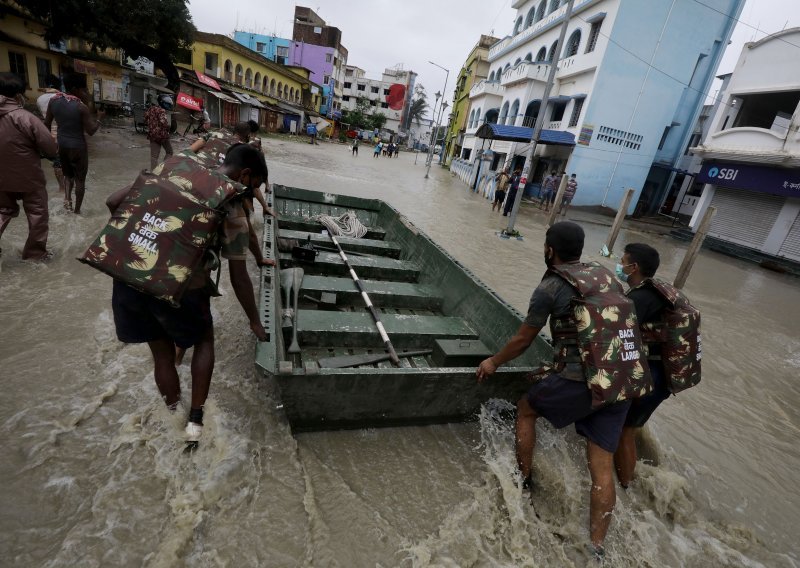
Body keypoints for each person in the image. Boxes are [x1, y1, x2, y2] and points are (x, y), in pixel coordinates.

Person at [476, 222, 651, 558]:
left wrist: (493, 362)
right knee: (601, 466)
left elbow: (524, 339)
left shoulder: (551, 287)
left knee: (526, 407)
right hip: (622, 380)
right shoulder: (605, 275)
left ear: (549, 250)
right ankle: (597, 546)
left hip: (580, 381)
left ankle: (523, 480)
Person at [106, 143, 269, 445]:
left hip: (131, 278)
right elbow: (238, 276)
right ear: (245, 174)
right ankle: (194, 422)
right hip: (180, 288)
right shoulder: (231, 204)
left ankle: (172, 411)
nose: (251, 192)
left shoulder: (176, 167)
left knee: (162, 354)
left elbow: (113, 201)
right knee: (205, 339)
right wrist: (255, 321)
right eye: (254, 185)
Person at [613, 243, 701, 488]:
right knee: (631, 427)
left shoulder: (640, 297)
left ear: (634, 267)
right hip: (665, 375)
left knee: (624, 431)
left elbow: (619, 337)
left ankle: (625, 486)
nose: (619, 265)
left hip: (652, 376)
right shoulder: (664, 290)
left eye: (623, 261)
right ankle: (627, 479)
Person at [0, 73, 58, 260]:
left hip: (1, 179)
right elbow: (49, 147)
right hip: (29, 177)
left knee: (2, 210)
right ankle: (35, 254)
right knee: (38, 214)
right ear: (18, 96)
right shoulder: (25, 117)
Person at [44, 72, 104, 214]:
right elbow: (91, 131)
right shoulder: (81, 107)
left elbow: (46, 124)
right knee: (80, 180)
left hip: (62, 145)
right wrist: (100, 118)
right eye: (85, 90)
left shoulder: (53, 101)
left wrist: (49, 143)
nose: (87, 93)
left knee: (67, 176)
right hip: (78, 147)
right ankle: (77, 212)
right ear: (76, 89)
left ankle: (68, 202)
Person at [35, 73, 66, 194]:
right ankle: (64, 189)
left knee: (56, 162)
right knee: (62, 163)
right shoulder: (63, 97)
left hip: (48, 136)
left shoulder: (39, 99)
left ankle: (61, 187)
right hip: (62, 135)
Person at [144, 94, 174, 171]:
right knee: (169, 152)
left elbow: (145, 119)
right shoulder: (161, 111)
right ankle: (162, 169)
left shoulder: (150, 109)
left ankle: (153, 174)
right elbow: (164, 124)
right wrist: (168, 128)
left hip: (152, 135)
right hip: (162, 136)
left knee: (154, 157)